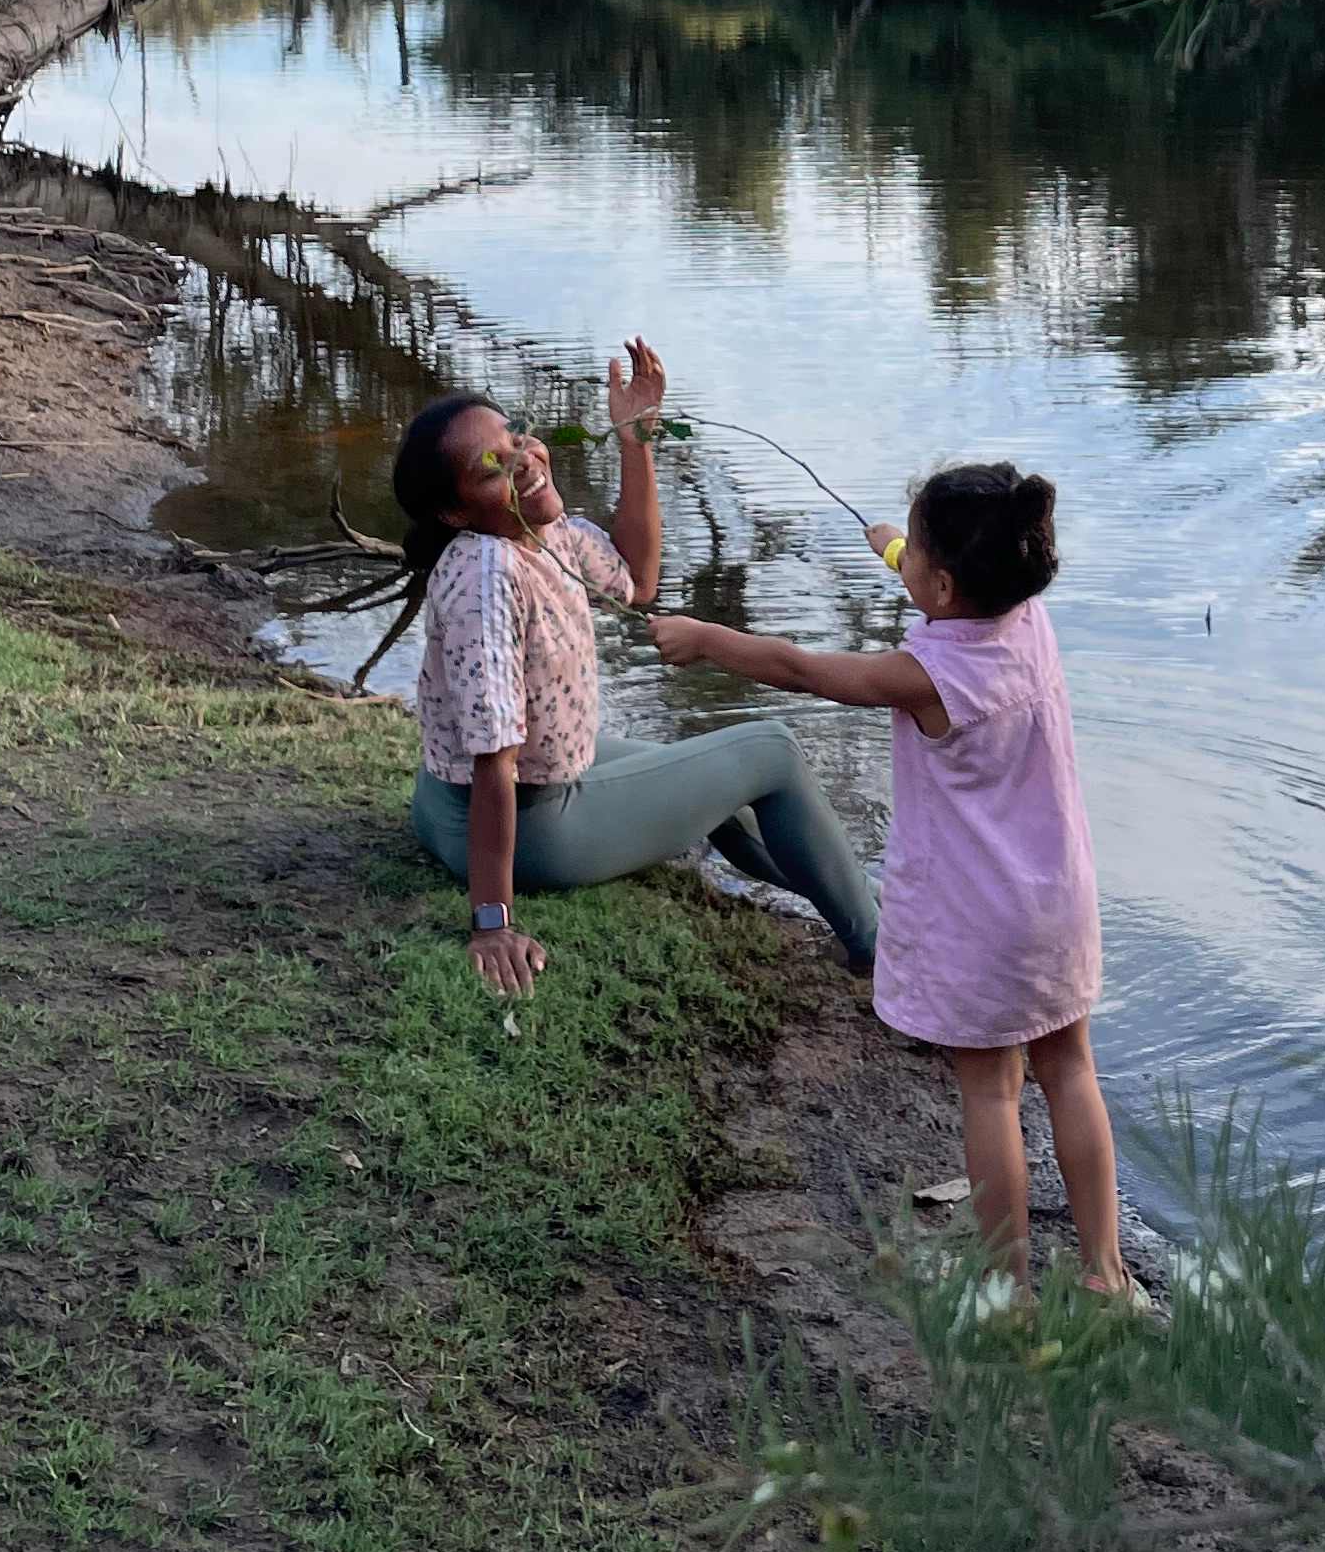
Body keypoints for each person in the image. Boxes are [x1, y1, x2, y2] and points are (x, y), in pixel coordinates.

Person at [647, 462, 1123, 1297]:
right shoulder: (1027, 618)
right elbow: (956, 593)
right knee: (1070, 1072)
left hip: (983, 923)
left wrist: (707, 640)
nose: (902, 567)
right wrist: (898, 550)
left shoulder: (925, 674)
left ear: (941, 585)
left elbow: (802, 670)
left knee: (991, 1092)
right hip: (1059, 904)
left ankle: (1008, 1294)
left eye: (914, 561)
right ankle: (1104, 1272)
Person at [392, 341, 879, 1001]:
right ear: (455, 509)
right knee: (772, 750)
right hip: (530, 828)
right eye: (493, 469)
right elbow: (494, 762)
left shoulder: (536, 531)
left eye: (516, 439)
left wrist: (634, 441)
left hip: (474, 790)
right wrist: (491, 923)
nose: (525, 463)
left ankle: (878, 901)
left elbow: (638, 580)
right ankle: (886, 954)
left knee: (723, 781)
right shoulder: (487, 579)